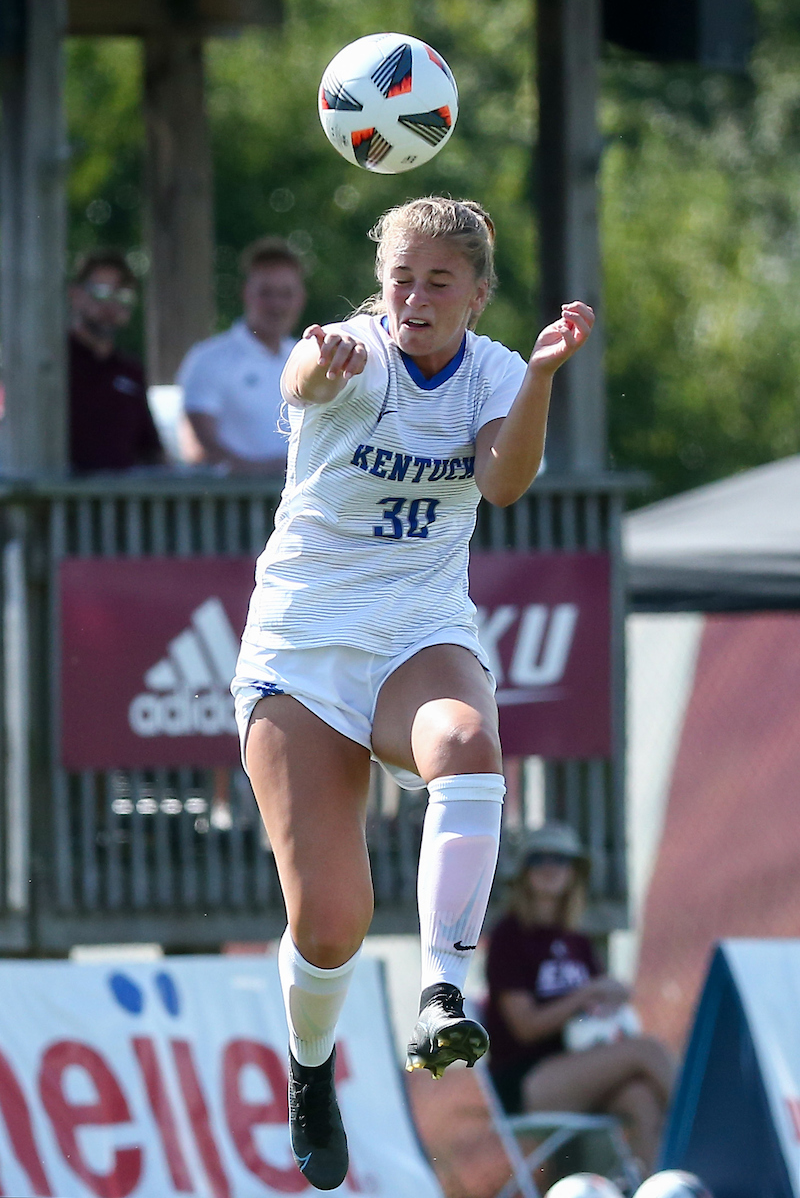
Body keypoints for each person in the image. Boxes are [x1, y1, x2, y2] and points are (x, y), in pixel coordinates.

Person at [231, 196, 594, 1191]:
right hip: (302, 647)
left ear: (478, 295)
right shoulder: (349, 353)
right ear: (379, 285)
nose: (416, 298)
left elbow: (503, 482)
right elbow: (302, 377)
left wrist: (542, 378)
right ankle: (311, 1070)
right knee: (330, 924)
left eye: (440, 282)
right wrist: (317, 364)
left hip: (417, 630)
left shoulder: (497, 371)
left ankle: (442, 993)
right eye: (401, 279)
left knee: (468, 743)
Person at [485, 822, 675, 1174]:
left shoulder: (579, 942)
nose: (550, 867)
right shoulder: (508, 937)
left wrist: (610, 998)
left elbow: (594, 1010)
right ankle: (713, 1128)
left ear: (573, 872)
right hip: (528, 1080)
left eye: (561, 859)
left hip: (581, 1065)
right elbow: (526, 1027)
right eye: (539, 859)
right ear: (523, 872)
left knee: (642, 1098)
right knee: (646, 1051)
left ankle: (655, 1187)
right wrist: (585, 993)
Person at [177, 237, 306, 473]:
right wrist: (265, 473)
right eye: (266, 293)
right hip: (233, 496)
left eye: (286, 294)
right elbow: (196, 448)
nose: (277, 305)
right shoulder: (208, 359)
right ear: (246, 293)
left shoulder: (308, 359)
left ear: (301, 298)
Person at [69, 250, 164, 473]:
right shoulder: (53, 366)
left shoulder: (130, 370)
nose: (111, 306)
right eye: (101, 293)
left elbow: (151, 450)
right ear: (75, 295)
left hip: (122, 493)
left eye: (123, 296)